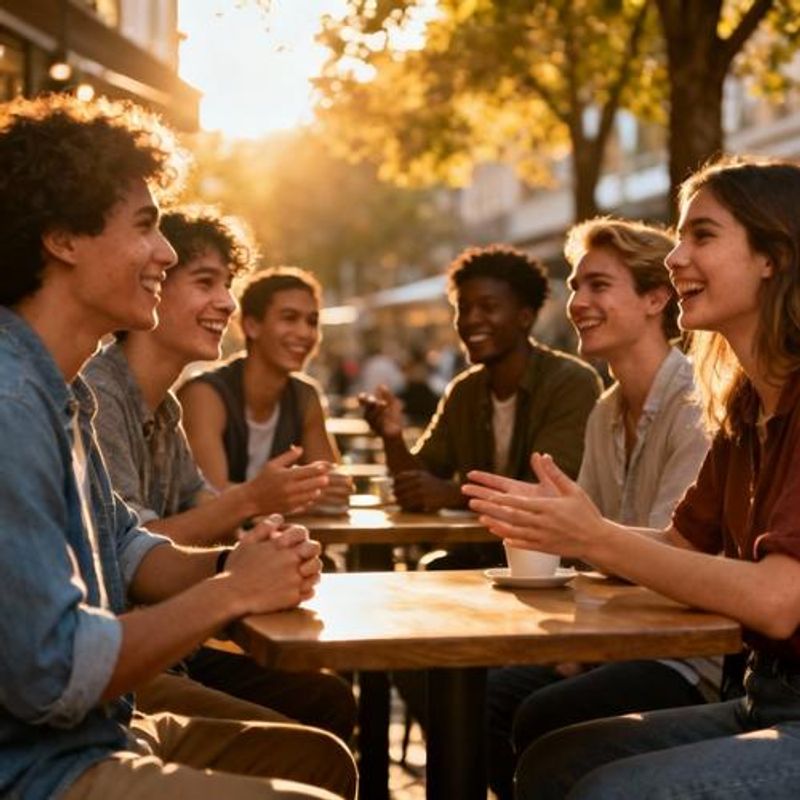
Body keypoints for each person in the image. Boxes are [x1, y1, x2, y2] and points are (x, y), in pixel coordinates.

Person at [0, 93, 355, 800]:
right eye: (146, 228)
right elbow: (55, 674)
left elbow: (128, 548)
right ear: (63, 239)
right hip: (36, 765)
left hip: (103, 727)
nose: (164, 251)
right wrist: (233, 590)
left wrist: (241, 561)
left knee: (326, 759)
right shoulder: (11, 405)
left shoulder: (64, 393)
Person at [464, 156, 800, 800]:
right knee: (550, 756)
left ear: (773, 257)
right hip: (764, 697)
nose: (675, 257)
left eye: (701, 235)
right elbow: (680, 547)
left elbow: (779, 602)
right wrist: (564, 525)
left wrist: (593, 540)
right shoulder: (746, 405)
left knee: (607, 789)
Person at [83, 207, 356, 741]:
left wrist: (266, 548)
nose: (228, 303)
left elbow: (204, 511)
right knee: (313, 738)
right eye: (206, 282)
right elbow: (124, 554)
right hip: (125, 657)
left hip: (174, 647)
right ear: (153, 283)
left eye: (228, 285)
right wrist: (249, 505)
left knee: (327, 697)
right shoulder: (98, 395)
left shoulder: (166, 410)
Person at [484, 218, 712, 799]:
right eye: (574, 286)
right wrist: (547, 521)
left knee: (527, 706)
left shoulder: (695, 405)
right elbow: (589, 548)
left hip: (690, 660)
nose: (577, 302)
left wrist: (574, 534)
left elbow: (666, 553)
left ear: (657, 298)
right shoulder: (605, 409)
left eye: (598, 286)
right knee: (481, 689)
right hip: (616, 640)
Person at [360, 244, 601, 567]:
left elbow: (545, 493)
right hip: (481, 557)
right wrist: (391, 436)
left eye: (488, 307)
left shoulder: (571, 382)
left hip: (549, 563)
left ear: (525, 317)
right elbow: (418, 486)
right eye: (464, 308)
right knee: (424, 573)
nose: (471, 320)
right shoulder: (464, 391)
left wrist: (454, 494)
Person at [179, 266, 351, 511]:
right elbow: (211, 498)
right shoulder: (205, 394)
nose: (304, 332)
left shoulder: (306, 396)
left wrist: (328, 489)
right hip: (211, 546)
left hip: (282, 541)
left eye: (312, 322)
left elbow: (331, 489)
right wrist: (296, 494)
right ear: (251, 326)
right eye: (289, 318)